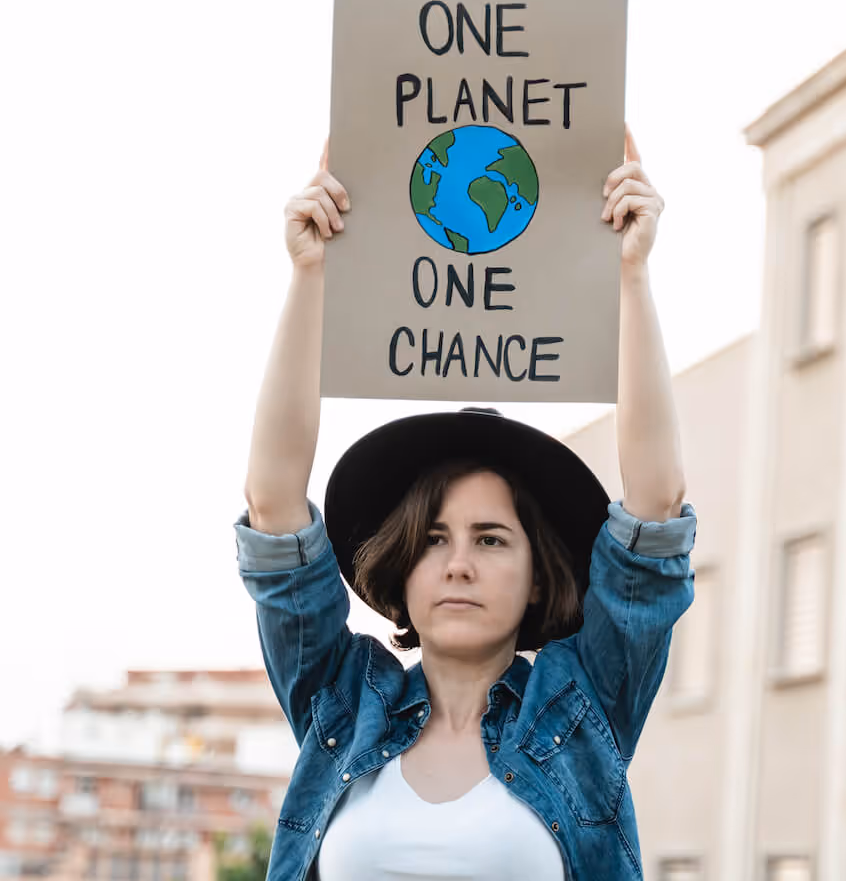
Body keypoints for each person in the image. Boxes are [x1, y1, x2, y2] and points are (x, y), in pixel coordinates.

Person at [234, 129, 694, 881]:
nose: (456, 565)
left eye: (490, 540)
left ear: (539, 576)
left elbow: (654, 516)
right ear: (401, 571)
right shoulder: (343, 709)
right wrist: (310, 273)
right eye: (432, 540)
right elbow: (274, 507)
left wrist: (632, 277)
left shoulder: (580, 708)